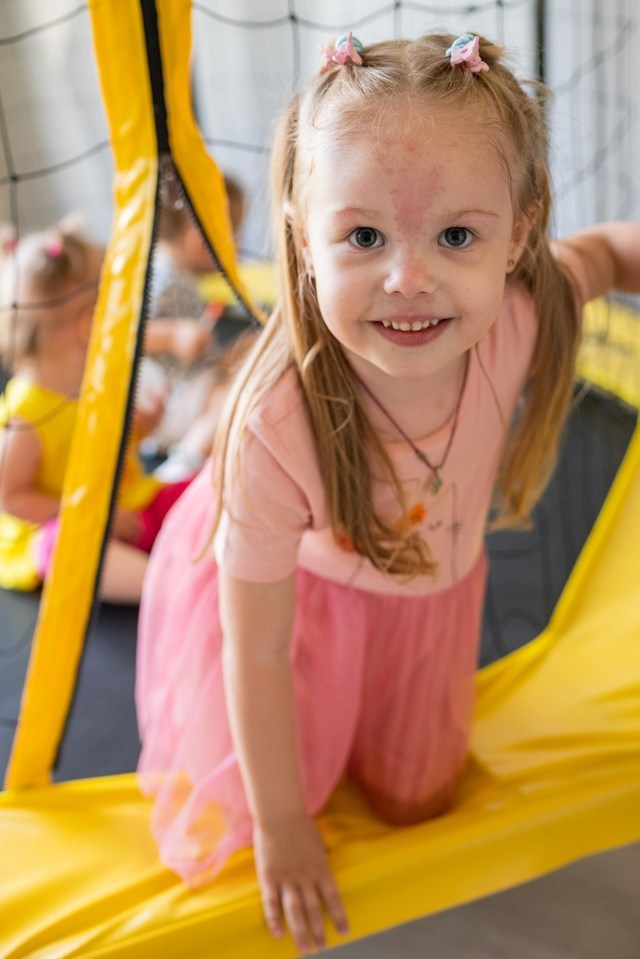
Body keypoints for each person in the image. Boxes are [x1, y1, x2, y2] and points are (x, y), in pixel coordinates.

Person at [135, 31, 640, 953]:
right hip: (299, 617)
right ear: (302, 234)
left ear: (519, 232)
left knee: (417, 800)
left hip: (434, 604)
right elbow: (257, 651)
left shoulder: (523, 315)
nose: (409, 279)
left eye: (457, 235)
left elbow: (610, 249)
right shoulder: (273, 425)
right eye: (364, 236)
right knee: (279, 798)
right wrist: (283, 826)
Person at [0, 222, 190, 603]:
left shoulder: (99, 378)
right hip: (65, 525)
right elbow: (11, 496)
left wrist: (140, 429)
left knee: (201, 488)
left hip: (129, 507)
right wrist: (90, 514)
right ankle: (168, 586)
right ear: (89, 326)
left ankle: (209, 559)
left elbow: (105, 448)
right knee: (63, 547)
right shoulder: (27, 414)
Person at [142, 162, 256, 480]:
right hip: (168, 400)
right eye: (233, 234)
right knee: (233, 393)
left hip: (190, 379)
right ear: (199, 241)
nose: (238, 243)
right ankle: (184, 463)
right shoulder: (161, 276)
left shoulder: (173, 271)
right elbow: (122, 337)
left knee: (255, 348)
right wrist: (173, 335)